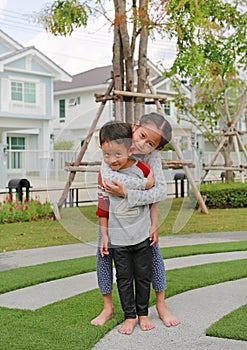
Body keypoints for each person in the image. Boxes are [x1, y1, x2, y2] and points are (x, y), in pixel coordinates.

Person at [91, 112, 180, 328]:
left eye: (150, 143)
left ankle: (160, 303)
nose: (142, 144)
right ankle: (108, 307)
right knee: (104, 255)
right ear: (135, 126)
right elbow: (108, 179)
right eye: (141, 135)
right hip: (113, 217)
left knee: (154, 255)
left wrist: (151, 219)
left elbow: (160, 193)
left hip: (143, 219)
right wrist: (140, 186)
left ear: (157, 148)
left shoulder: (152, 159)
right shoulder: (117, 143)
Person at [97, 120, 155, 334]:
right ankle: (129, 316)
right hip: (118, 239)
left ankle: (143, 314)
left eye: (117, 154)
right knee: (123, 278)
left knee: (143, 276)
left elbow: (152, 193)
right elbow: (103, 208)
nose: (112, 160)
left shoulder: (143, 169)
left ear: (130, 148)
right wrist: (104, 235)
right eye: (106, 154)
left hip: (141, 236)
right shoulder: (105, 175)